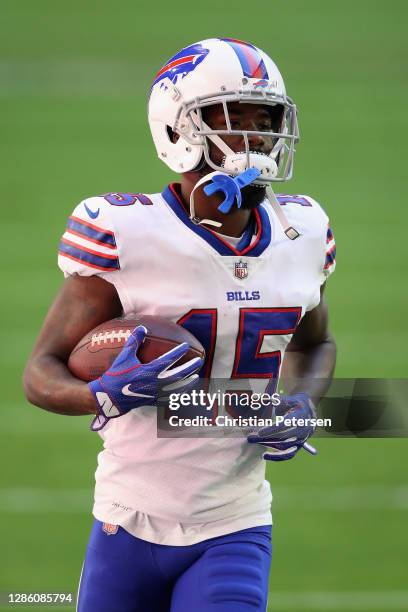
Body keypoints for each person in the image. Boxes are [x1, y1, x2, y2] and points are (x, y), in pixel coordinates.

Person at [23, 38, 336, 612]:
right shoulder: (123, 231)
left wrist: (302, 401)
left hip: (234, 521)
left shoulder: (305, 231)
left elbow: (316, 345)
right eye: (230, 118)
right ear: (177, 129)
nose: (253, 137)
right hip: (127, 515)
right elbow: (39, 373)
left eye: (263, 119)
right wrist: (102, 395)